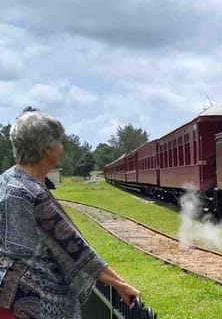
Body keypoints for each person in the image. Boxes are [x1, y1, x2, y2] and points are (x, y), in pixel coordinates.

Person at [0, 111, 140, 319]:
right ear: (46, 148)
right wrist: (120, 283)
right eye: (59, 141)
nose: (62, 147)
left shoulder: (6, 180)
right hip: (32, 305)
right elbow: (74, 248)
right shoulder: (32, 193)